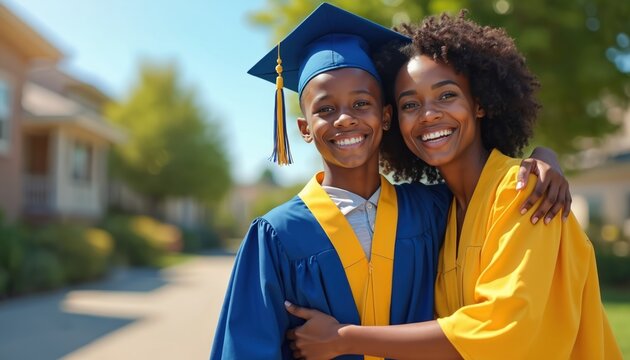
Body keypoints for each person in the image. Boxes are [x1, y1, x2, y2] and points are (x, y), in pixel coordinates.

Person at [211, 4, 572, 360]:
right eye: (325, 109)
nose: (344, 120)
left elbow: (497, 322)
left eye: (361, 103)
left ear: (385, 117)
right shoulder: (276, 236)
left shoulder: (432, 208)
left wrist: (542, 156)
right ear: (304, 128)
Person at [285, 11, 622, 360]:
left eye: (446, 96)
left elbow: (501, 331)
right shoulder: (444, 212)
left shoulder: (522, 192)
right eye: (410, 104)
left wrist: (346, 339)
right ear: (394, 120)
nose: (428, 114)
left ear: (479, 103)